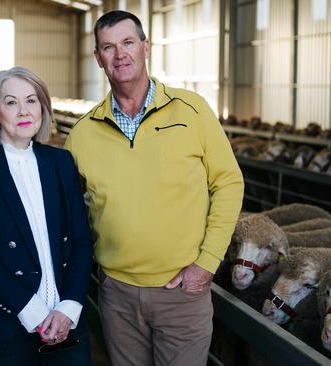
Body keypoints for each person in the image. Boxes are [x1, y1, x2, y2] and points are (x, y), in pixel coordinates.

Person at [64, 10, 244, 366]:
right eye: (108, 47)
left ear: (145, 47)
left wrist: (207, 263)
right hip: (117, 293)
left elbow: (228, 182)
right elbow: (63, 213)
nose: (120, 54)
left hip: (181, 291)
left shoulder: (191, 111)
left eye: (128, 42)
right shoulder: (83, 134)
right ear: (98, 58)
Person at [0, 66, 93, 365]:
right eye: (11, 102)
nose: (24, 110)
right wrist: (32, 310)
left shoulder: (60, 162)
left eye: (32, 100)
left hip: (65, 319)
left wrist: (70, 305)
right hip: (0, 324)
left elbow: (80, 240)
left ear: (43, 108)